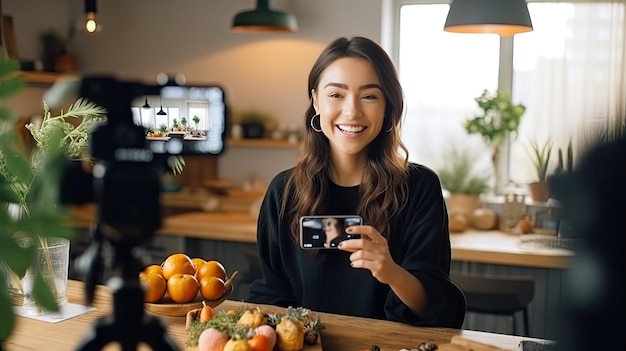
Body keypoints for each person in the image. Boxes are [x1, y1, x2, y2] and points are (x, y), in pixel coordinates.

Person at [247, 36, 466, 328]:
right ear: (316, 101)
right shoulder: (284, 192)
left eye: (369, 96)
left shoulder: (419, 187)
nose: (352, 111)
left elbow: (439, 307)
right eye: (336, 95)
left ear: (388, 106)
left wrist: (391, 272)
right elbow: (273, 293)